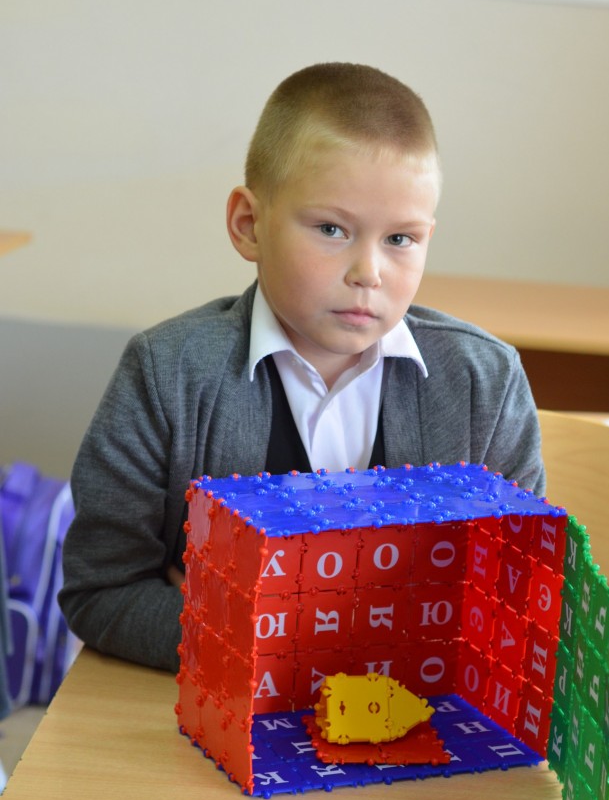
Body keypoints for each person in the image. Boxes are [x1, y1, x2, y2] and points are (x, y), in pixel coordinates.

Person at [59, 62, 544, 678]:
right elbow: (101, 590)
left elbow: (515, 599)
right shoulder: (166, 374)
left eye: (401, 239)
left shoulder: (485, 384)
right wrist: (276, 643)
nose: (368, 272)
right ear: (249, 225)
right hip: (208, 720)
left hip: (416, 721)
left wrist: (222, 615)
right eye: (332, 229)